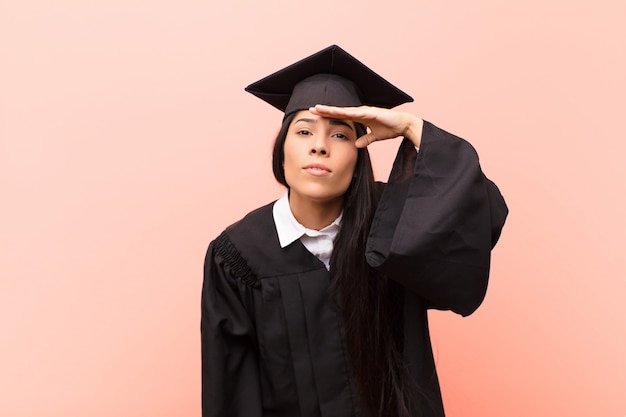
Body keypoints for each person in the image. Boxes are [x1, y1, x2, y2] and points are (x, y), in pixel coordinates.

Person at [201, 45, 508, 417]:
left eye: (341, 135)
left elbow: (479, 214)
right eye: (303, 131)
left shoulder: (395, 223)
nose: (319, 146)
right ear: (281, 149)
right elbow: (232, 395)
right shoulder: (238, 256)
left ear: (360, 152)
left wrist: (412, 129)